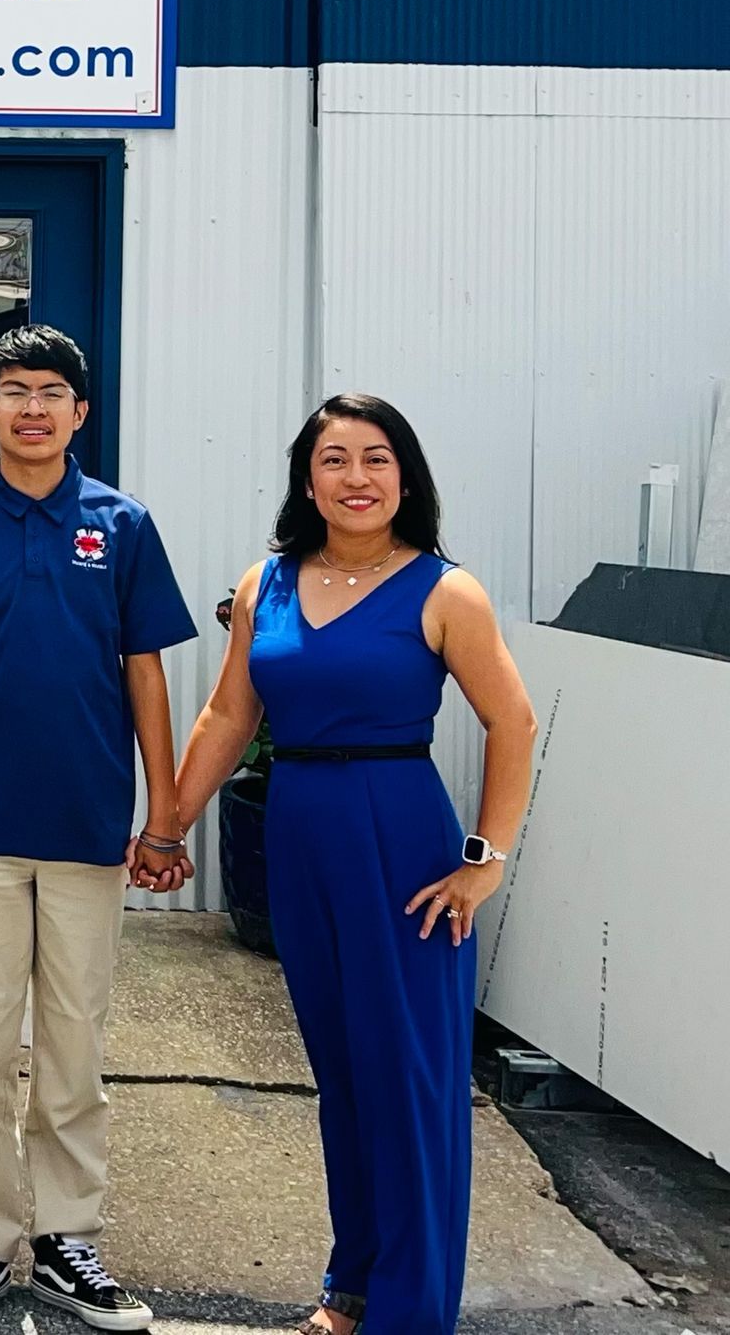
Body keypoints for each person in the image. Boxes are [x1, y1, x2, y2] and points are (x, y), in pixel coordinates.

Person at [169, 393, 536, 1335]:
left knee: (410, 1080)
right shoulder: (270, 582)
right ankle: (353, 1285)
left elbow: (513, 722)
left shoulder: (445, 590)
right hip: (299, 831)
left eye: (376, 459)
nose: (357, 478)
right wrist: (167, 826)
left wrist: (484, 861)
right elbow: (227, 717)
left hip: (401, 835)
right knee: (344, 1074)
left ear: (404, 476)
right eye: (336, 460)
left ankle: (410, 1313)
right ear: (308, 479)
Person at [0, 324, 195, 1331]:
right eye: (13, 390)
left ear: (80, 412)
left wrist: (164, 810)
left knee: (73, 1041)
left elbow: (144, 668)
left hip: (87, 821)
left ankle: (70, 1234)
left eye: (52, 390)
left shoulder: (123, 522)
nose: (33, 406)